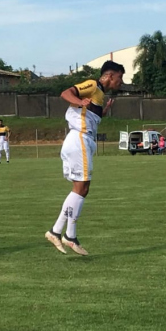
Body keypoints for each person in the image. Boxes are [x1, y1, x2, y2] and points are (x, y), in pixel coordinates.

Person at [45, 60, 124, 256]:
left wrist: (103, 111)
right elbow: (66, 93)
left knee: (81, 189)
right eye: (119, 77)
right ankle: (69, 236)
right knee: (82, 187)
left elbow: (88, 115)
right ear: (110, 76)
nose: (120, 82)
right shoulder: (93, 84)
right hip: (79, 138)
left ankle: (56, 231)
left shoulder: (100, 95)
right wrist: (79, 101)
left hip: (82, 139)